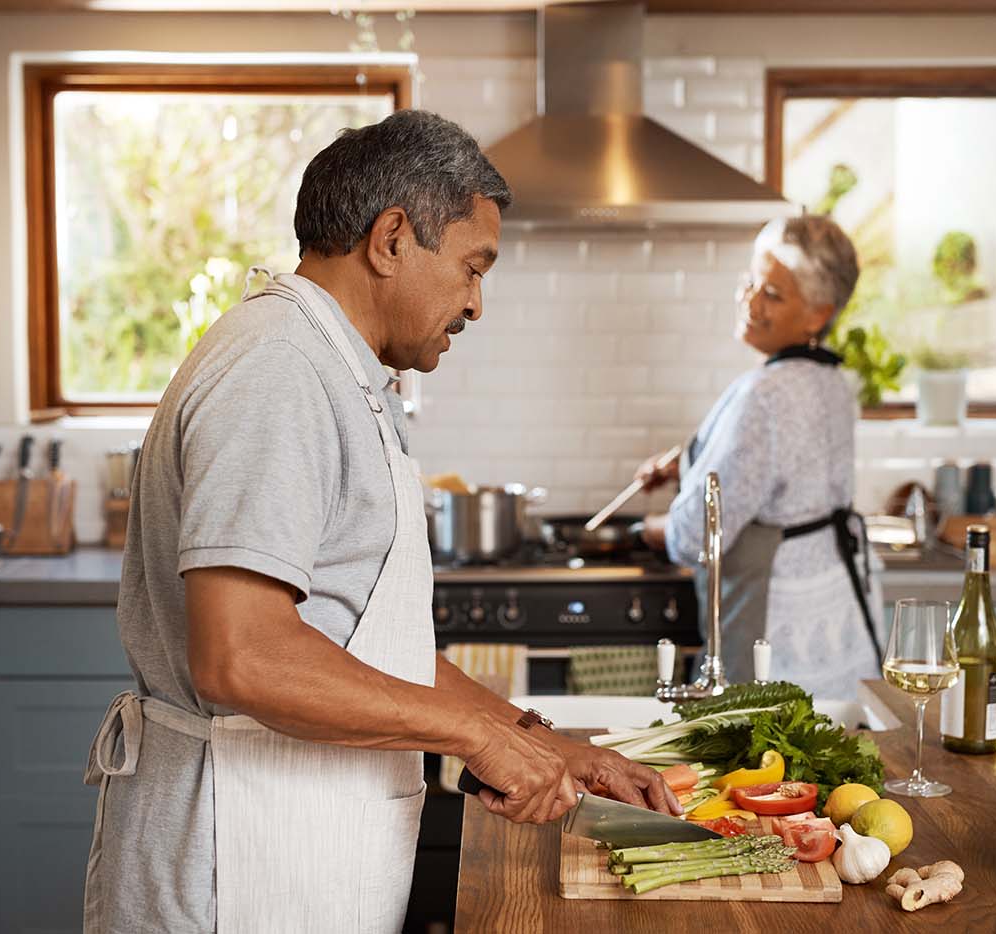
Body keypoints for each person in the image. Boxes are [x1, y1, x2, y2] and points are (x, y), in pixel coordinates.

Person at [81, 110, 677, 934]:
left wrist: (540, 740)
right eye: (472, 267)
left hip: (299, 847)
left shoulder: (336, 372)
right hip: (238, 867)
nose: (476, 302)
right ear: (392, 239)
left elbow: (369, 653)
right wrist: (474, 735)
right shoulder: (277, 371)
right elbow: (242, 656)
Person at [635, 214, 883, 702]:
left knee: (766, 763)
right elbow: (782, 472)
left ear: (817, 314)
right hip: (835, 607)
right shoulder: (832, 382)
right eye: (750, 282)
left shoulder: (765, 395)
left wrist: (647, 528)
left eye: (772, 294)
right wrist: (687, 464)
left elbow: (696, 537)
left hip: (780, 620)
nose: (750, 301)